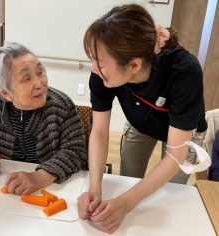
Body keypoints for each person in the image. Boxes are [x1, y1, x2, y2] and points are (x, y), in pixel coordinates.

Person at [77, 4, 208, 234]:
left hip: (181, 132)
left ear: (134, 64)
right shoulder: (101, 71)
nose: (94, 68)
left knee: (169, 191)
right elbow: (99, 131)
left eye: (101, 64)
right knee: (130, 177)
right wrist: (95, 189)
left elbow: (175, 155)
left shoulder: (184, 71)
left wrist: (124, 204)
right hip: (141, 122)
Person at [0, 42, 87, 195]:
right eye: (27, 78)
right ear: (5, 92)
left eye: (40, 72)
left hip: (52, 190)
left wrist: (40, 177)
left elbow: (77, 151)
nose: (39, 84)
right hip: (2, 188)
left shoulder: (61, 105)